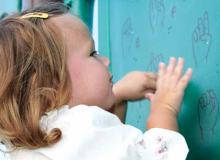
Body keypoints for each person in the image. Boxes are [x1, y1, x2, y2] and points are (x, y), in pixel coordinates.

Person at [0, 3, 192, 160]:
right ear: (49, 85)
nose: (106, 60)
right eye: (93, 53)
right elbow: (152, 156)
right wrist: (164, 110)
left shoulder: (24, 147)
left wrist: (118, 94)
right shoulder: (80, 128)